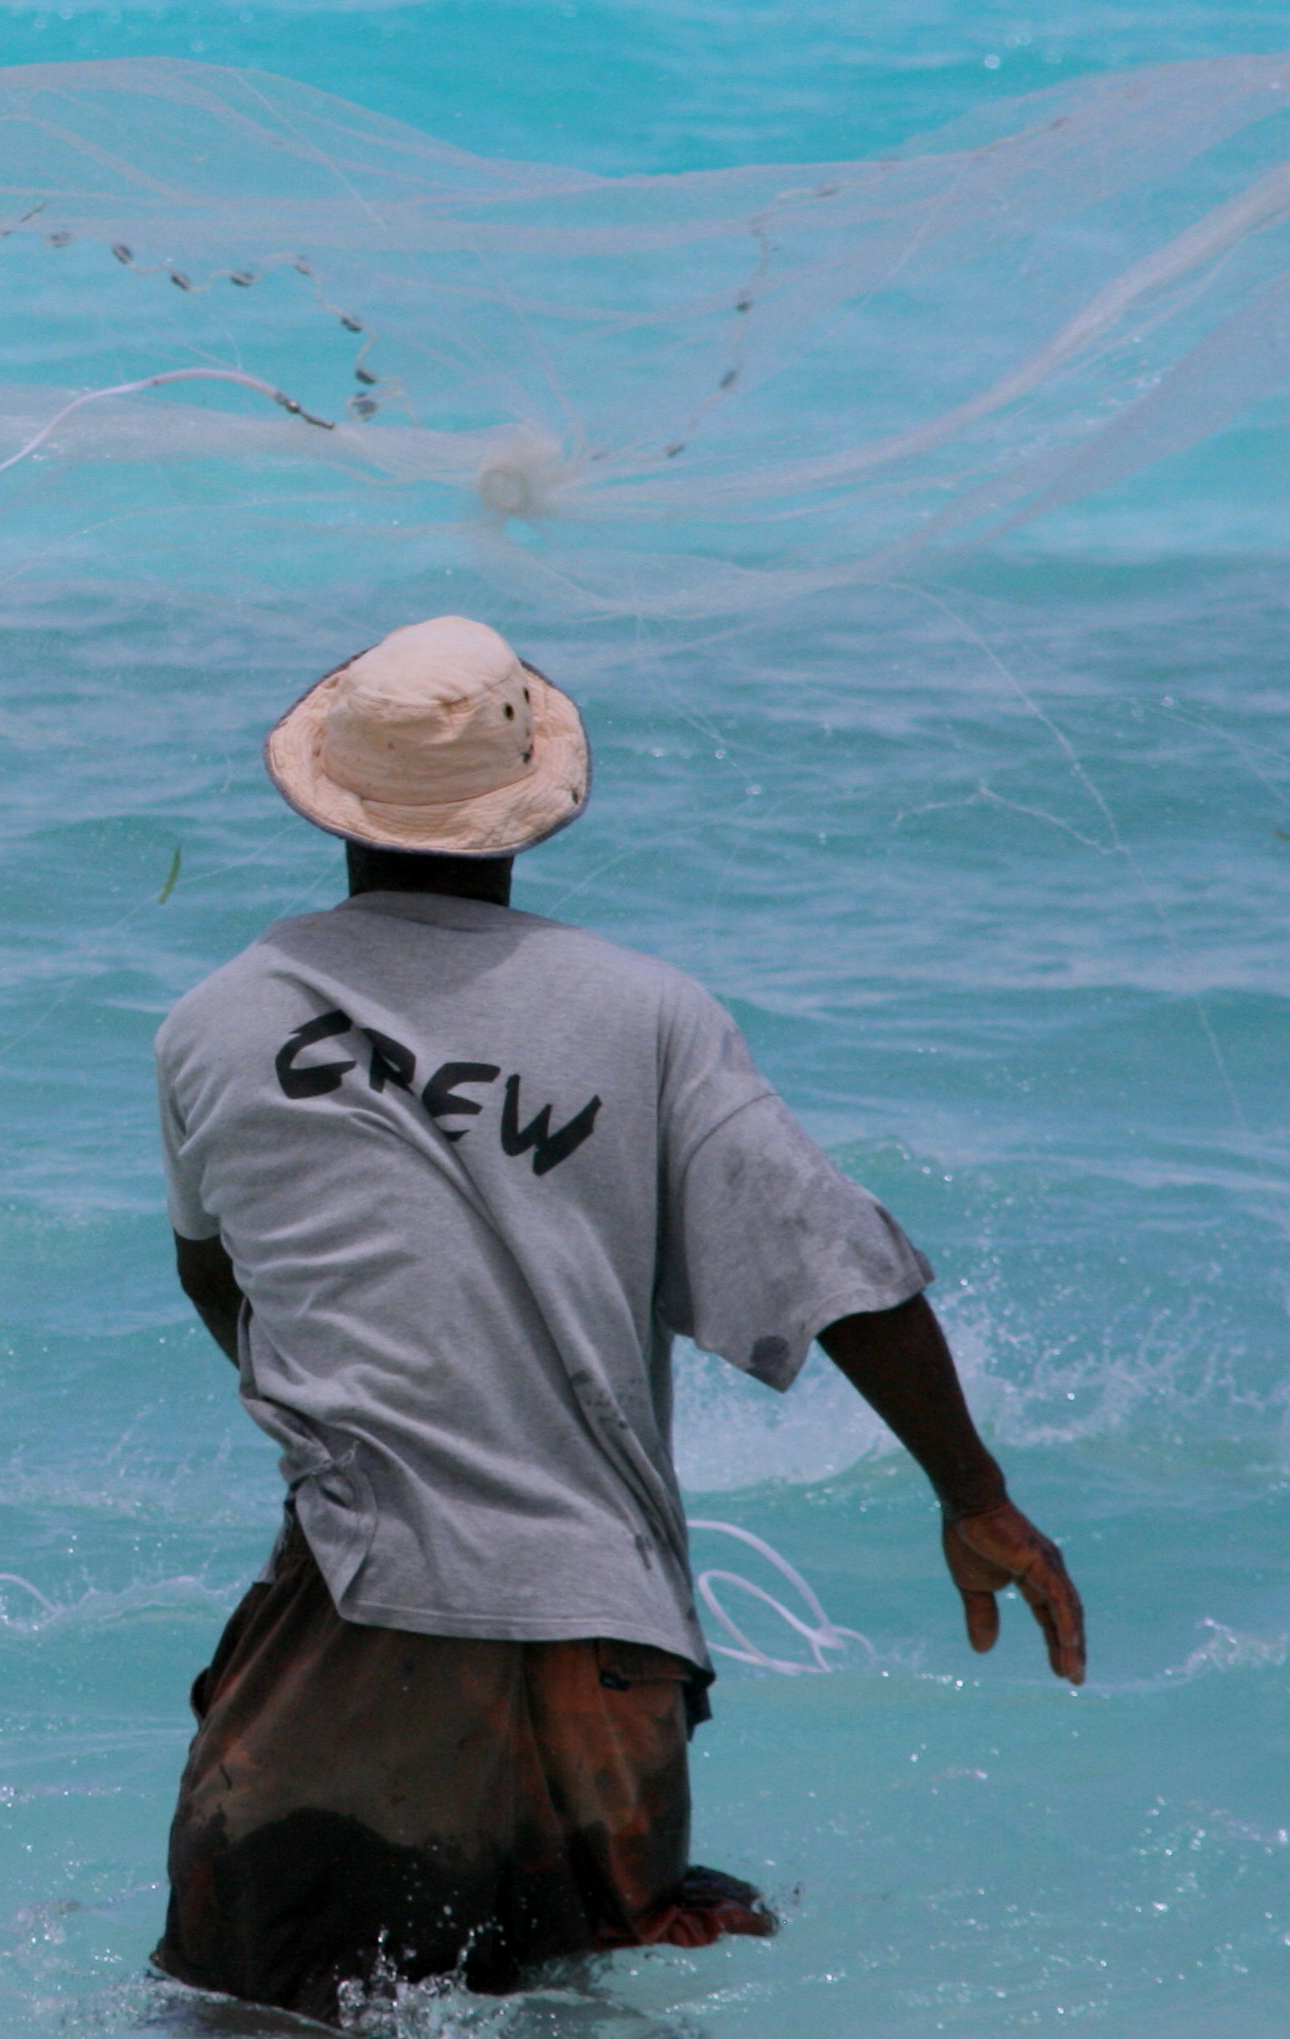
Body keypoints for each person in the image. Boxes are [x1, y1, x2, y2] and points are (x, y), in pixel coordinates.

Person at [150, 616, 1086, 2021]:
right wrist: (975, 1495)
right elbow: (840, 1265)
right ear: (525, 805)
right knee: (573, 2000)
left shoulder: (212, 1026)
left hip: (355, 1621)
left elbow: (222, 1284)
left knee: (254, 2014)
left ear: (331, 792)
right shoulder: (648, 1017)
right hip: (605, 1645)